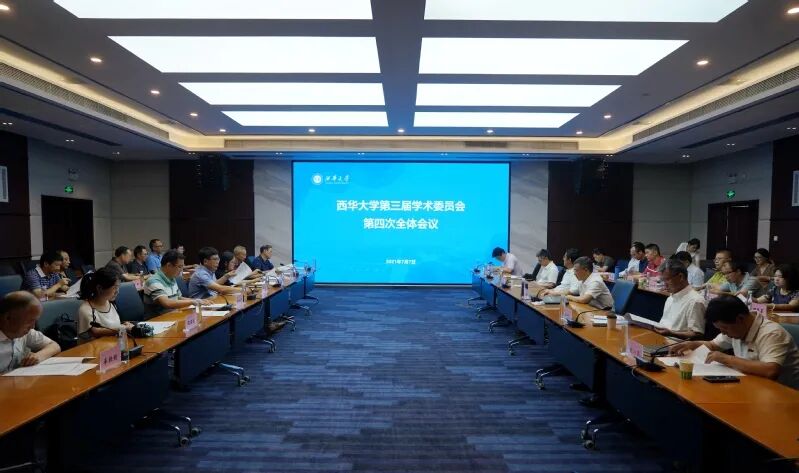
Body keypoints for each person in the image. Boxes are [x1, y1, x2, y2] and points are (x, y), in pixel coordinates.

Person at [670, 296, 799, 390]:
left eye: (725, 329)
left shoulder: (771, 333)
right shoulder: (737, 328)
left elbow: (770, 370)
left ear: (740, 319)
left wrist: (728, 359)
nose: (724, 333)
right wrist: (691, 345)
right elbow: (713, 345)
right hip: (750, 384)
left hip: (783, 393)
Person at [0, 291, 61, 373]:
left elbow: (54, 346)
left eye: (35, 321)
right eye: (30, 321)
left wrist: (38, 356)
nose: (33, 326)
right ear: (8, 318)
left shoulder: (25, 332)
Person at [143, 250, 207, 318]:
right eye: (179, 267)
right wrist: (192, 302)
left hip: (173, 314)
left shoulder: (171, 277)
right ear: (169, 265)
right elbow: (167, 303)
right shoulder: (154, 281)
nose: (181, 270)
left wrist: (197, 301)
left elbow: (178, 298)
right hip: (158, 319)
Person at [654, 259, 706, 340]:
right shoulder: (670, 298)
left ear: (681, 277)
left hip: (676, 344)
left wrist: (672, 334)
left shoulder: (695, 301)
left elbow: (696, 334)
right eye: (663, 280)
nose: (664, 285)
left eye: (667, 280)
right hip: (661, 339)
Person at [77, 268, 133, 339]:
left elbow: (112, 325)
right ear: (99, 288)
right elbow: (96, 332)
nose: (117, 291)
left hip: (113, 343)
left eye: (118, 287)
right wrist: (123, 328)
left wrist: (124, 325)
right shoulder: (85, 309)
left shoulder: (110, 303)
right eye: (114, 287)